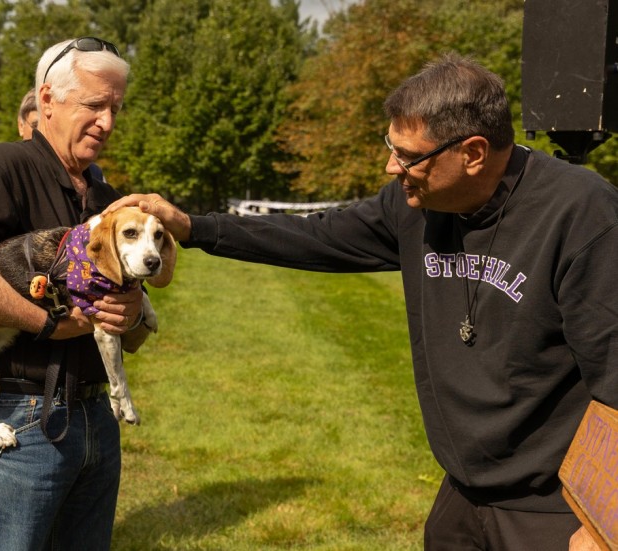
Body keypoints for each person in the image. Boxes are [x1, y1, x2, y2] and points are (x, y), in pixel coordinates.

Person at [106, 53, 618, 551]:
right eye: (389, 145)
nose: (391, 166)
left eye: (408, 156)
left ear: (474, 153)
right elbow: (315, 236)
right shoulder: (414, 203)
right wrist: (195, 227)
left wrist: (602, 524)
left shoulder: (582, 214)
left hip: (553, 510)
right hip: (463, 494)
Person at [0, 37, 147, 550]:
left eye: (115, 108)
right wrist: (46, 322)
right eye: (94, 105)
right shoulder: (3, 167)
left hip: (95, 421)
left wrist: (130, 313)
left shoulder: (106, 199)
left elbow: (128, 336)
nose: (107, 122)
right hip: (17, 423)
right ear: (47, 101)